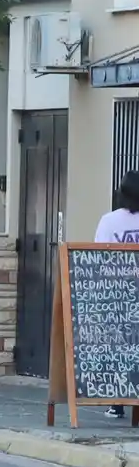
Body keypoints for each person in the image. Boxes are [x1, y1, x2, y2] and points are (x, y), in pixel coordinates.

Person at [94, 172, 139, 418]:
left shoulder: (109, 221)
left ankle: (118, 403)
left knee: (119, 349)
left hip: (117, 294)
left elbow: (99, 257)